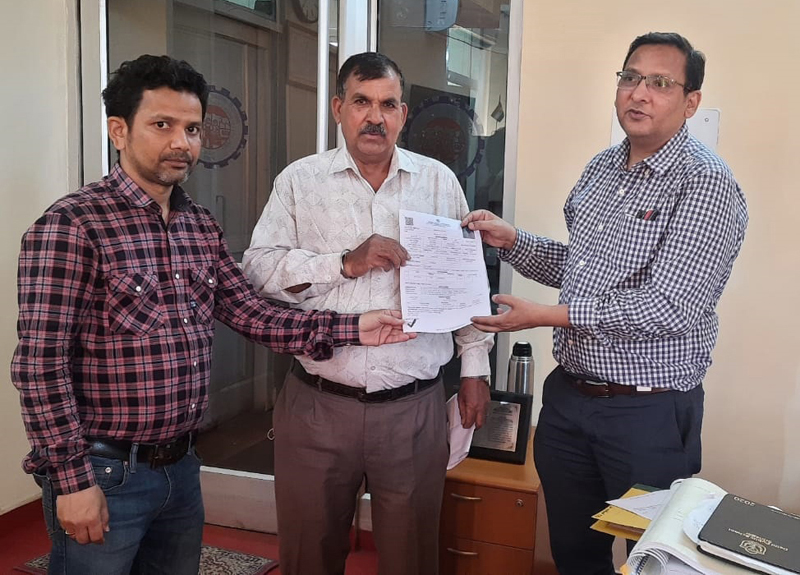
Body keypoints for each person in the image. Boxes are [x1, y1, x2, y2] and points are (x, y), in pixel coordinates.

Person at [10, 54, 414, 575]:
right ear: (118, 130)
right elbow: (40, 365)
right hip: (105, 470)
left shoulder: (197, 225)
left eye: (193, 128)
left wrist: (353, 327)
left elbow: (249, 312)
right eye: (163, 125)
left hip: (181, 468)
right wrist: (71, 479)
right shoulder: (72, 226)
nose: (182, 142)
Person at [463, 32, 748, 575]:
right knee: (575, 553)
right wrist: (513, 240)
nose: (639, 93)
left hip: (648, 414)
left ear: (690, 102)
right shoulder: (601, 169)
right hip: (570, 403)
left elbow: (670, 305)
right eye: (630, 77)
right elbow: (581, 271)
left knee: (652, 561)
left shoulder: (707, 184)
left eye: (659, 83)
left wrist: (545, 316)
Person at [242, 52, 493, 575]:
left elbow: (463, 282)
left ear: (402, 113)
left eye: (387, 105)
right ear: (339, 108)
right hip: (317, 405)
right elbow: (257, 271)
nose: (374, 117)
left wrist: (474, 368)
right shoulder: (299, 182)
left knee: (412, 557)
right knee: (309, 554)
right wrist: (345, 263)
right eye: (361, 102)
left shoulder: (438, 182)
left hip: (413, 408)